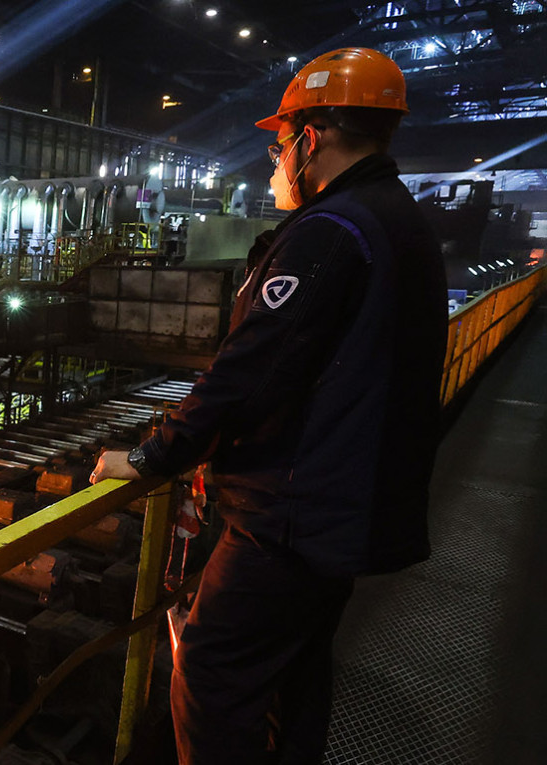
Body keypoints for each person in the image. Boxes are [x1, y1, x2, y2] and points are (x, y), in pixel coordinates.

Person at [91, 48, 447, 764]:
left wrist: (151, 454)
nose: (274, 161)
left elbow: (248, 372)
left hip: (292, 519)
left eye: (278, 144)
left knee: (212, 670)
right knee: (297, 673)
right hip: (348, 512)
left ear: (310, 139)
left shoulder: (328, 233)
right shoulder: (400, 223)